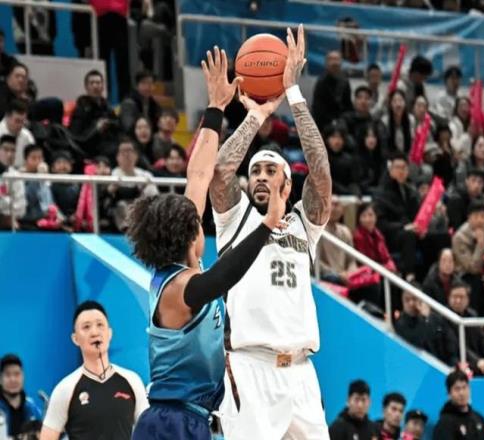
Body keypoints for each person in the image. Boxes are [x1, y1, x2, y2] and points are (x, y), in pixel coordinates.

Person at [127, 46, 288, 440]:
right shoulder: (179, 289)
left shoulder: (181, 271)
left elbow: (199, 175)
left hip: (194, 419)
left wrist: (217, 108)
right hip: (171, 421)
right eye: (197, 224)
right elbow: (222, 278)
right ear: (189, 237)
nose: (203, 225)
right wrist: (266, 225)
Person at [210, 25, 331, 439]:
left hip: (301, 370)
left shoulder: (303, 223)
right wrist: (256, 116)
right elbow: (221, 172)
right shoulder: (235, 217)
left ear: (288, 182)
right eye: (256, 171)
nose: (260, 176)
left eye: (270, 170)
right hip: (251, 367)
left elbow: (321, 172)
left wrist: (293, 92)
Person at [40, 301, 149, 440]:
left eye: (100, 325)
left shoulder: (132, 381)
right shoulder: (65, 389)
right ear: (75, 338)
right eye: (86, 327)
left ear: (110, 333)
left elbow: (149, 432)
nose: (94, 332)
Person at [373, 153, 420, 279]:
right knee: (408, 235)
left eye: (404, 168)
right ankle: (410, 277)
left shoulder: (410, 191)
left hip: (410, 230)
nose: (401, 171)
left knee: (438, 236)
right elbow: (381, 224)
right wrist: (404, 227)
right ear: (390, 170)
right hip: (391, 235)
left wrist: (421, 227)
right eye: (397, 167)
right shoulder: (381, 193)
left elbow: (416, 215)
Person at [452, 199, 484, 315]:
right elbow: (472, 268)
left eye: (483, 216)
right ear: (469, 217)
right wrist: (480, 245)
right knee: (475, 280)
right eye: (476, 216)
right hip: (466, 277)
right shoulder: (460, 237)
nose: (479, 220)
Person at [445, 280, 484, 376]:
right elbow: (456, 345)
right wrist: (478, 361)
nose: (458, 301)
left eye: (461, 297)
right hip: (455, 361)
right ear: (449, 298)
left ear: (468, 299)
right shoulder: (444, 317)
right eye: (454, 297)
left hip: (476, 359)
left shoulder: (472, 315)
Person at [394, 288, 457, 366]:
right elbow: (418, 342)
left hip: (441, 363)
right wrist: (425, 319)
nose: (411, 303)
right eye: (407, 300)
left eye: (414, 299)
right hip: (418, 364)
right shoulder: (401, 323)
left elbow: (449, 340)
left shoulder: (434, 318)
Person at [109, 138, 158, 231]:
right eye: (123, 151)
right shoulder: (112, 174)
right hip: (121, 214)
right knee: (122, 205)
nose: (127, 155)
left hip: (142, 212)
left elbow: (154, 197)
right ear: (117, 157)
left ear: (136, 156)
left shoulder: (146, 175)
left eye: (130, 151)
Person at [70, 69, 120, 160]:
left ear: (103, 86)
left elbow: (117, 125)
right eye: (92, 83)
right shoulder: (80, 109)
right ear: (86, 87)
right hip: (91, 151)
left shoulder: (107, 107)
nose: (95, 86)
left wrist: (108, 124)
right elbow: (76, 137)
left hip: (110, 145)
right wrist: (96, 129)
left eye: (98, 83)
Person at [89, 0, 130, 99]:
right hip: (101, 16)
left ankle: (125, 99)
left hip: (118, 16)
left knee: (122, 61)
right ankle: (103, 98)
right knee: (103, 62)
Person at [432, 370, 484, 439]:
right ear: (449, 394)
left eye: (464, 387)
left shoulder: (479, 419)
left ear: (469, 389)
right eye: (457, 389)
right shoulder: (444, 424)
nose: (461, 393)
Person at [0, 355, 41, 439]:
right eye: (7, 375)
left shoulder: (33, 409)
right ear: (0, 379)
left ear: (23, 376)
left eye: (17, 374)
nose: (13, 379)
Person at [318, 195, 357, 284]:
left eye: (337, 205)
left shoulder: (345, 231)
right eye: (331, 204)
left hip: (345, 276)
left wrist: (351, 272)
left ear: (342, 210)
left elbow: (351, 261)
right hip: (327, 277)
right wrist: (337, 274)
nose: (334, 208)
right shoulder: (317, 231)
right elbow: (315, 262)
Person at [312, 50, 353, 131]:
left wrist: (344, 119)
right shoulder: (321, 82)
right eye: (331, 59)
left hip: (342, 122)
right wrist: (332, 122)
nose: (334, 62)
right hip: (324, 124)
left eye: (337, 59)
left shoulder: (345, 81)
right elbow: (318, 109)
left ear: (341, 63)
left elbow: (348, 105)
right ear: (326, 63)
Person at [353, 202, 396, 273]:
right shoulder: (358, 237)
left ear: (376, 217)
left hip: (381, 269)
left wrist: (390, 266)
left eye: (370, 215)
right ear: (359, 219)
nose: (367, 219)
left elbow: (386, 257)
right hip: (367, 271)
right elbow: (365, 262)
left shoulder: (378, 234)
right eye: (364, 216)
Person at [323, 121, 360, 196]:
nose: (337, 141)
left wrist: (355, 190)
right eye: (333, 137)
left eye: (340, 137)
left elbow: (353, 181)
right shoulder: (322, 159)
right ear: (327, 139)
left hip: (345, 197)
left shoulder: (349, 159)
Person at [0, 134, 26, 229]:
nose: (9, 154)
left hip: (8, 222)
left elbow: (21, 209)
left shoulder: (16, 176)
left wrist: (4, 202)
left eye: (13, 150)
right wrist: (8, 200)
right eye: (6, 150)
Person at [0, 99, 35, 168]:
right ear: (7, 117)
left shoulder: (27, 136)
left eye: (23, 121)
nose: (20, 125)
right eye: (17, 121)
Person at [381, 90, 415, 156]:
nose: (398, 104)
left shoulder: (411, 120)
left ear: (405, 103)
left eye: (400, 100)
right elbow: (384, 147)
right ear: (390, 104)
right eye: (395, 101)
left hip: (407, 156)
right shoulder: (384, 121)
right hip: (390, 157)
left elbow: (413, 143)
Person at [449, 97, 472, 162]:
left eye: (466, 106)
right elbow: (455, 148)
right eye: (461, 106)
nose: (464, 109)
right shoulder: (452, 124)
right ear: (456, 109)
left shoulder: (471, 125)